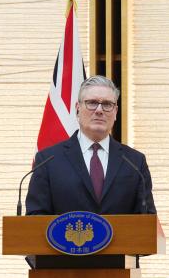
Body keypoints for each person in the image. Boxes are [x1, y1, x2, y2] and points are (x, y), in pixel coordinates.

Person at [26, 75, 155, 215]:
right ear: (77, 108)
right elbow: (35, 217)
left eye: (107, 104)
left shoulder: (134, 162)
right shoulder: (48, 160)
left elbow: (146, 219)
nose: (99, 110)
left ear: (115, 112)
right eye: (92, 102)